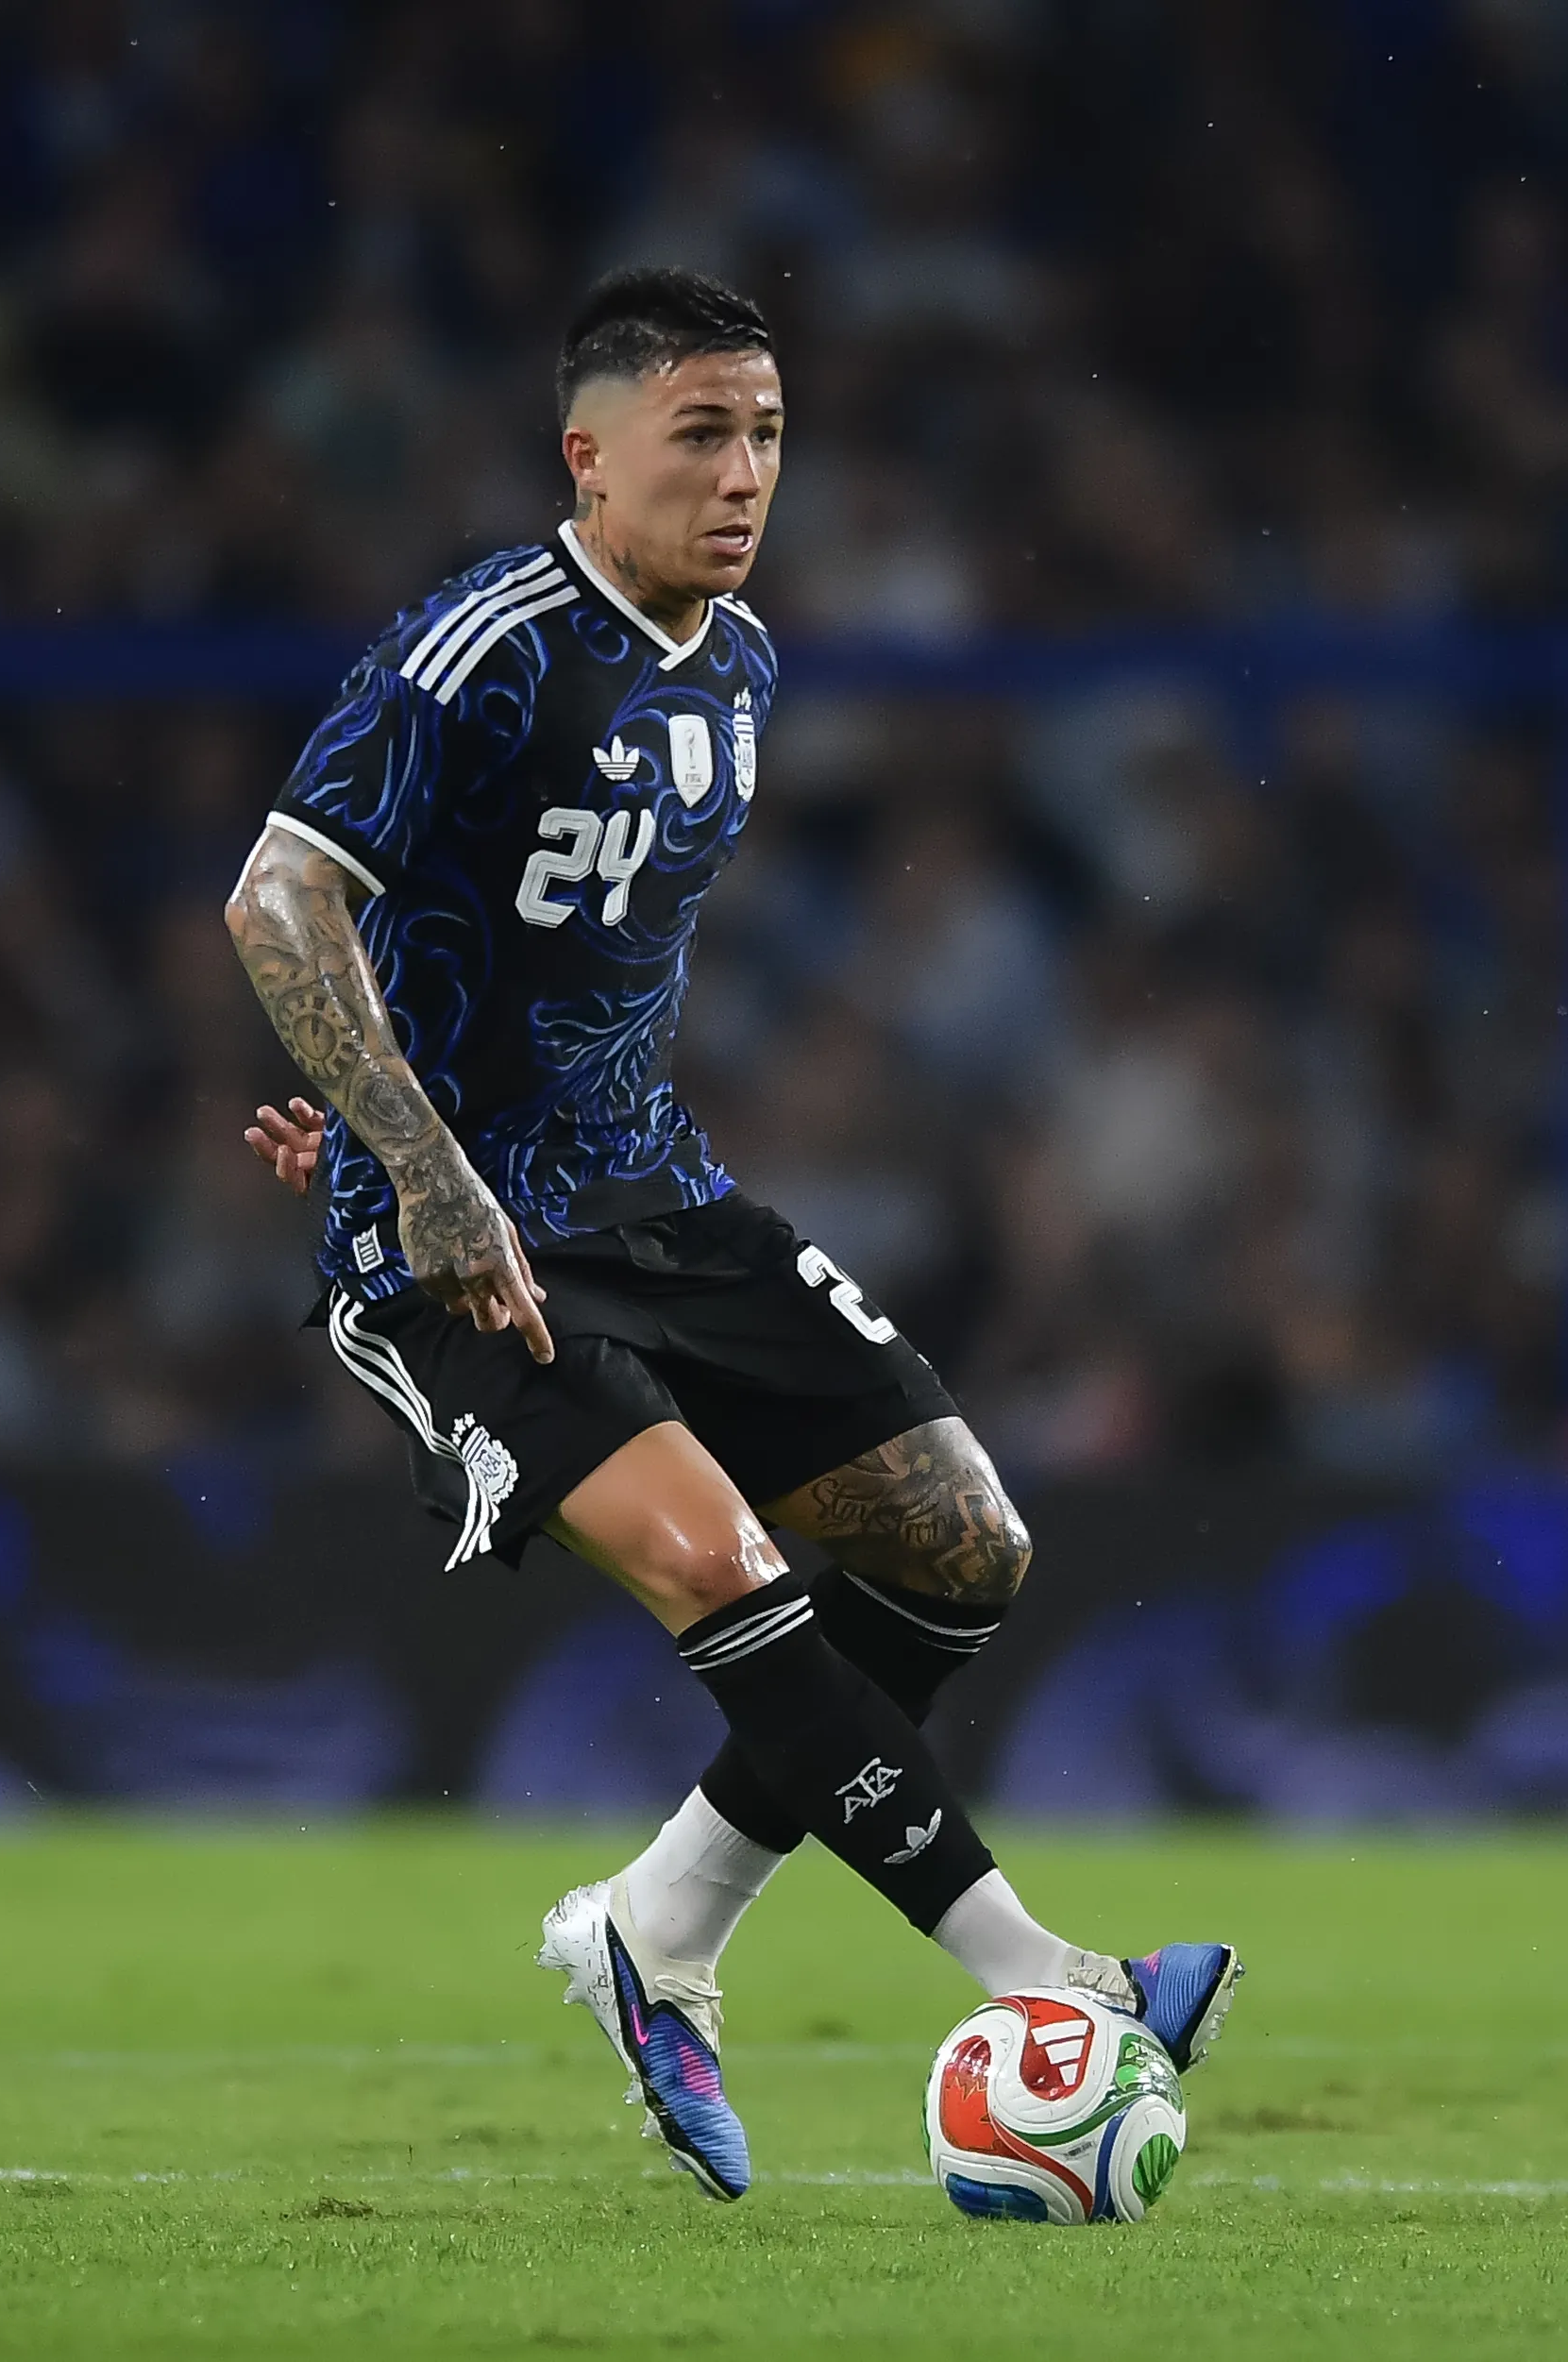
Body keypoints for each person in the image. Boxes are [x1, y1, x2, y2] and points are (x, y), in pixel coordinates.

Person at [224, 268, 1238, 2201]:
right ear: (583, 457)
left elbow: (531, 956)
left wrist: (396, 1091)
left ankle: (656, 1934)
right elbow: (279, 906)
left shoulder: (741, 668)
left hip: (654, 1197)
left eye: (765, 431)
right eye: (700, 432)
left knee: (959, 1550)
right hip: (453, 1251)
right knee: (715, 1556)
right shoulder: (481, 648)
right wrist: (411, 1165)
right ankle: (1055, 1978)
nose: (744, 470)